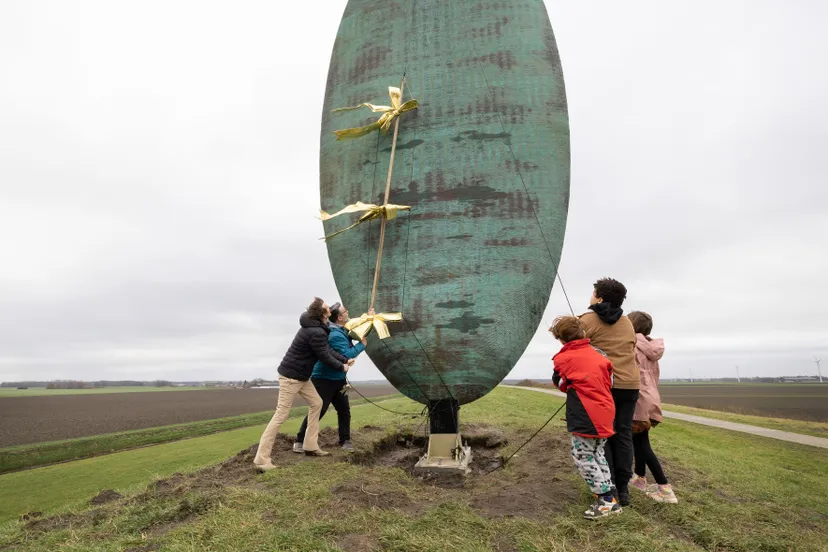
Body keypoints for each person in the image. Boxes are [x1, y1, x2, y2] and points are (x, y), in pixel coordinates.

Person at [253, 298, 355, 472]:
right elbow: (324, 356)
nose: (330, 309)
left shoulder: (317, 328)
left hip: (302, 377)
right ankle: (261, 460)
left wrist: (345, 359)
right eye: (326, 308)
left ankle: (310, 446)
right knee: (281, 416)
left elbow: (328, 350)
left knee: (317, 403)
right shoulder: (316, 331)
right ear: (322, 314)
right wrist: (342, 366)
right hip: (291, 378)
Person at [551, 315, 621, 519]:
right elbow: (610, 381)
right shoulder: (599, 355)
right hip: (606, 411)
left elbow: (561, 383)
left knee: (582, 456)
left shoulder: (562, 359)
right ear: (583, 333)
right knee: (598, 452)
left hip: (586, 415)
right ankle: (610, 495)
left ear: (561, 339)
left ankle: (606, 500)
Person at [578, 277, 638, 506]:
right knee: (623, 435)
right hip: (630, 385)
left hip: (604, 386)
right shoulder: (627, 323)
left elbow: (571, 345)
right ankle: (623, 491)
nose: (591, 296)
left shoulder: (586, 320)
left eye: (593, 293)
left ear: (599, 297)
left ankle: (609, 487)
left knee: (603, 436)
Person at [294, 302, 368, 453]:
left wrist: (369, 317)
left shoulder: (340, 329)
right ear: (340, 317)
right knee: (319, 410)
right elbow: (345, 355)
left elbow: (358, 324)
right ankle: (299, 441)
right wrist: (362, 345)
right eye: (346, 311)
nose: (348, 313)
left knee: (344, 410)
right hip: (324, 379)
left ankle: (345, 441)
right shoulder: (335, 335)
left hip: (338, 378)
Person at [628, 311, 677, 504]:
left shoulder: (633, 346)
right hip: (651, 398)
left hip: (639, 398)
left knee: (642, 444)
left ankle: (665, 489)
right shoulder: (651, 348)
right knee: (640, 440)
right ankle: (639, 478)